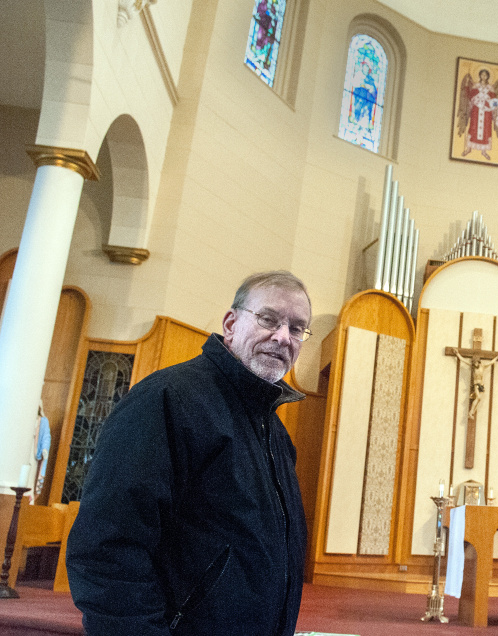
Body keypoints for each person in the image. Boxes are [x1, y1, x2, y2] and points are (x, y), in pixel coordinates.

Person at [67, 271, 313, 636]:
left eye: (296, 328)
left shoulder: (276, 433)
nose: (282, 337)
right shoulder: (168, 399)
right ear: (231, 324)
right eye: (268, 319)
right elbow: (108, 548)